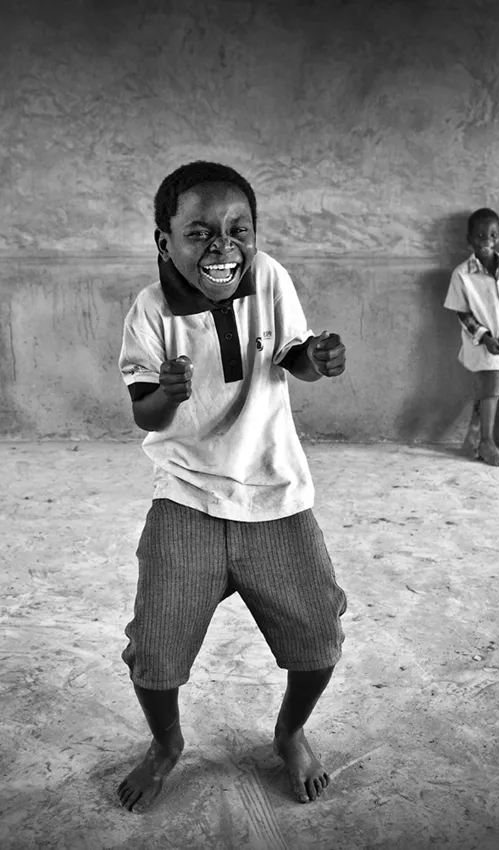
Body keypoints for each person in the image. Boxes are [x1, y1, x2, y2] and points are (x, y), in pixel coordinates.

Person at [116, 161, 348, 812]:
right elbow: (144, 413)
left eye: (237, 230)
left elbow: (293, 353)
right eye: (199, 233)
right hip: (187, 494)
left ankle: (290, 732)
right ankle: (166, 744)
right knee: (155, 651)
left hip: (273, 490)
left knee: (319, 638)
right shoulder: (150, 311)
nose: (223, 247)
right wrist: (165, 394)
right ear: (165, 242)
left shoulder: (268, 276)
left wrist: (316, 360)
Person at [444, 208, 499, 467]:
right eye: (480, 235)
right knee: (492, 388)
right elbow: (462, 312)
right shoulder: (462, 274)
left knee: (491, 392)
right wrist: (484, 337)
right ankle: (487, 442)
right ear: (469, 239)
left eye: (493, 235)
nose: (487, 240)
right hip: (482, 344)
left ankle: (472, 441)